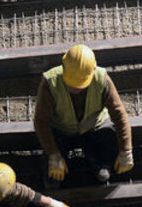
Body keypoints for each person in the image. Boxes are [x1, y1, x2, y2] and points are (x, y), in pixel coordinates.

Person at [34, 44, 133, 186]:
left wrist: (126, 150)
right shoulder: (50, 82)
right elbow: (41, 121)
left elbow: (119, 115)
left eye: (79, 84)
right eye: (70, 83)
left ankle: (101, 163)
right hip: (61, 130)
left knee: (108, 136)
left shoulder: (102, 78)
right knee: (51, 173)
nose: (74, 88)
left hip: (93, 127)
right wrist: (53, 154)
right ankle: (55, 165)